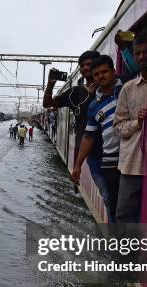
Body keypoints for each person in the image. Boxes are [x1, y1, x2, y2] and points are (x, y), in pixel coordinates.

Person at [71, 55, 123, 223]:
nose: (101, 76)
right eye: (96, 74)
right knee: (111, 199)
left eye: (105, 72)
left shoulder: (126, 88)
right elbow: (88, 136)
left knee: (123, 203)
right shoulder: (94, 105)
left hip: (128, 157)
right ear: (92, 78)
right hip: (108, 161)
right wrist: (77, 165)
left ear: (114, 71)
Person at [44, 50, 101, 196]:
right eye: (82, 65)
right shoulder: (75, 92)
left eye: (89, 64)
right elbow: (47, 103)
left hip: (108, 150)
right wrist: (50, 85)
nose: (85, 68)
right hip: (89, 152)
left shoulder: (108, 86)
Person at [114, 34, 147, 223]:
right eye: (138, 53)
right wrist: (137, 122)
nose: (143, 56)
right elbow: (118, 127)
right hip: (133, 163)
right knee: (125, 214)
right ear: (134, 56)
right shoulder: (128, 89)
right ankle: (126, 252)